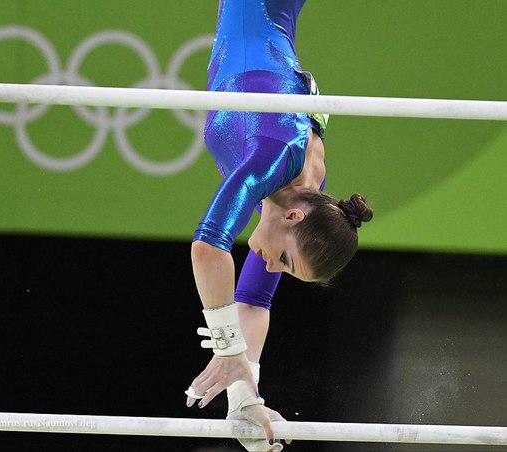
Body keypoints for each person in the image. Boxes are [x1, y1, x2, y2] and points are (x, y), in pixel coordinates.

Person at [185, 0, 373, 450]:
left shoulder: (304, 197)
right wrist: (228, 349)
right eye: (285, 260)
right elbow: (207, 248)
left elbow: (253, 301)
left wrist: (245, 400)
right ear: (294, 218)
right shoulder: (273, 157)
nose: (272, 267)